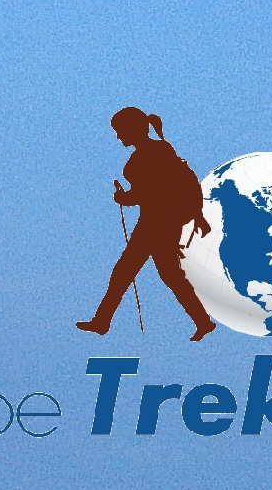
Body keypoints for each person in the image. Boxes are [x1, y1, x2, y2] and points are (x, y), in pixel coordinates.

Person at [81, 107, 219, 339]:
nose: (118, 137)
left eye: (120, 131)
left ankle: (102, 321)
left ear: (132, 129)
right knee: (163, 275)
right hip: (155, 223)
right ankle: (203, 322)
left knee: (130, 272)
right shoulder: (155, 152)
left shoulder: (155, 153)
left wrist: (124, 198)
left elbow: (154, 191)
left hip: (158, 224)